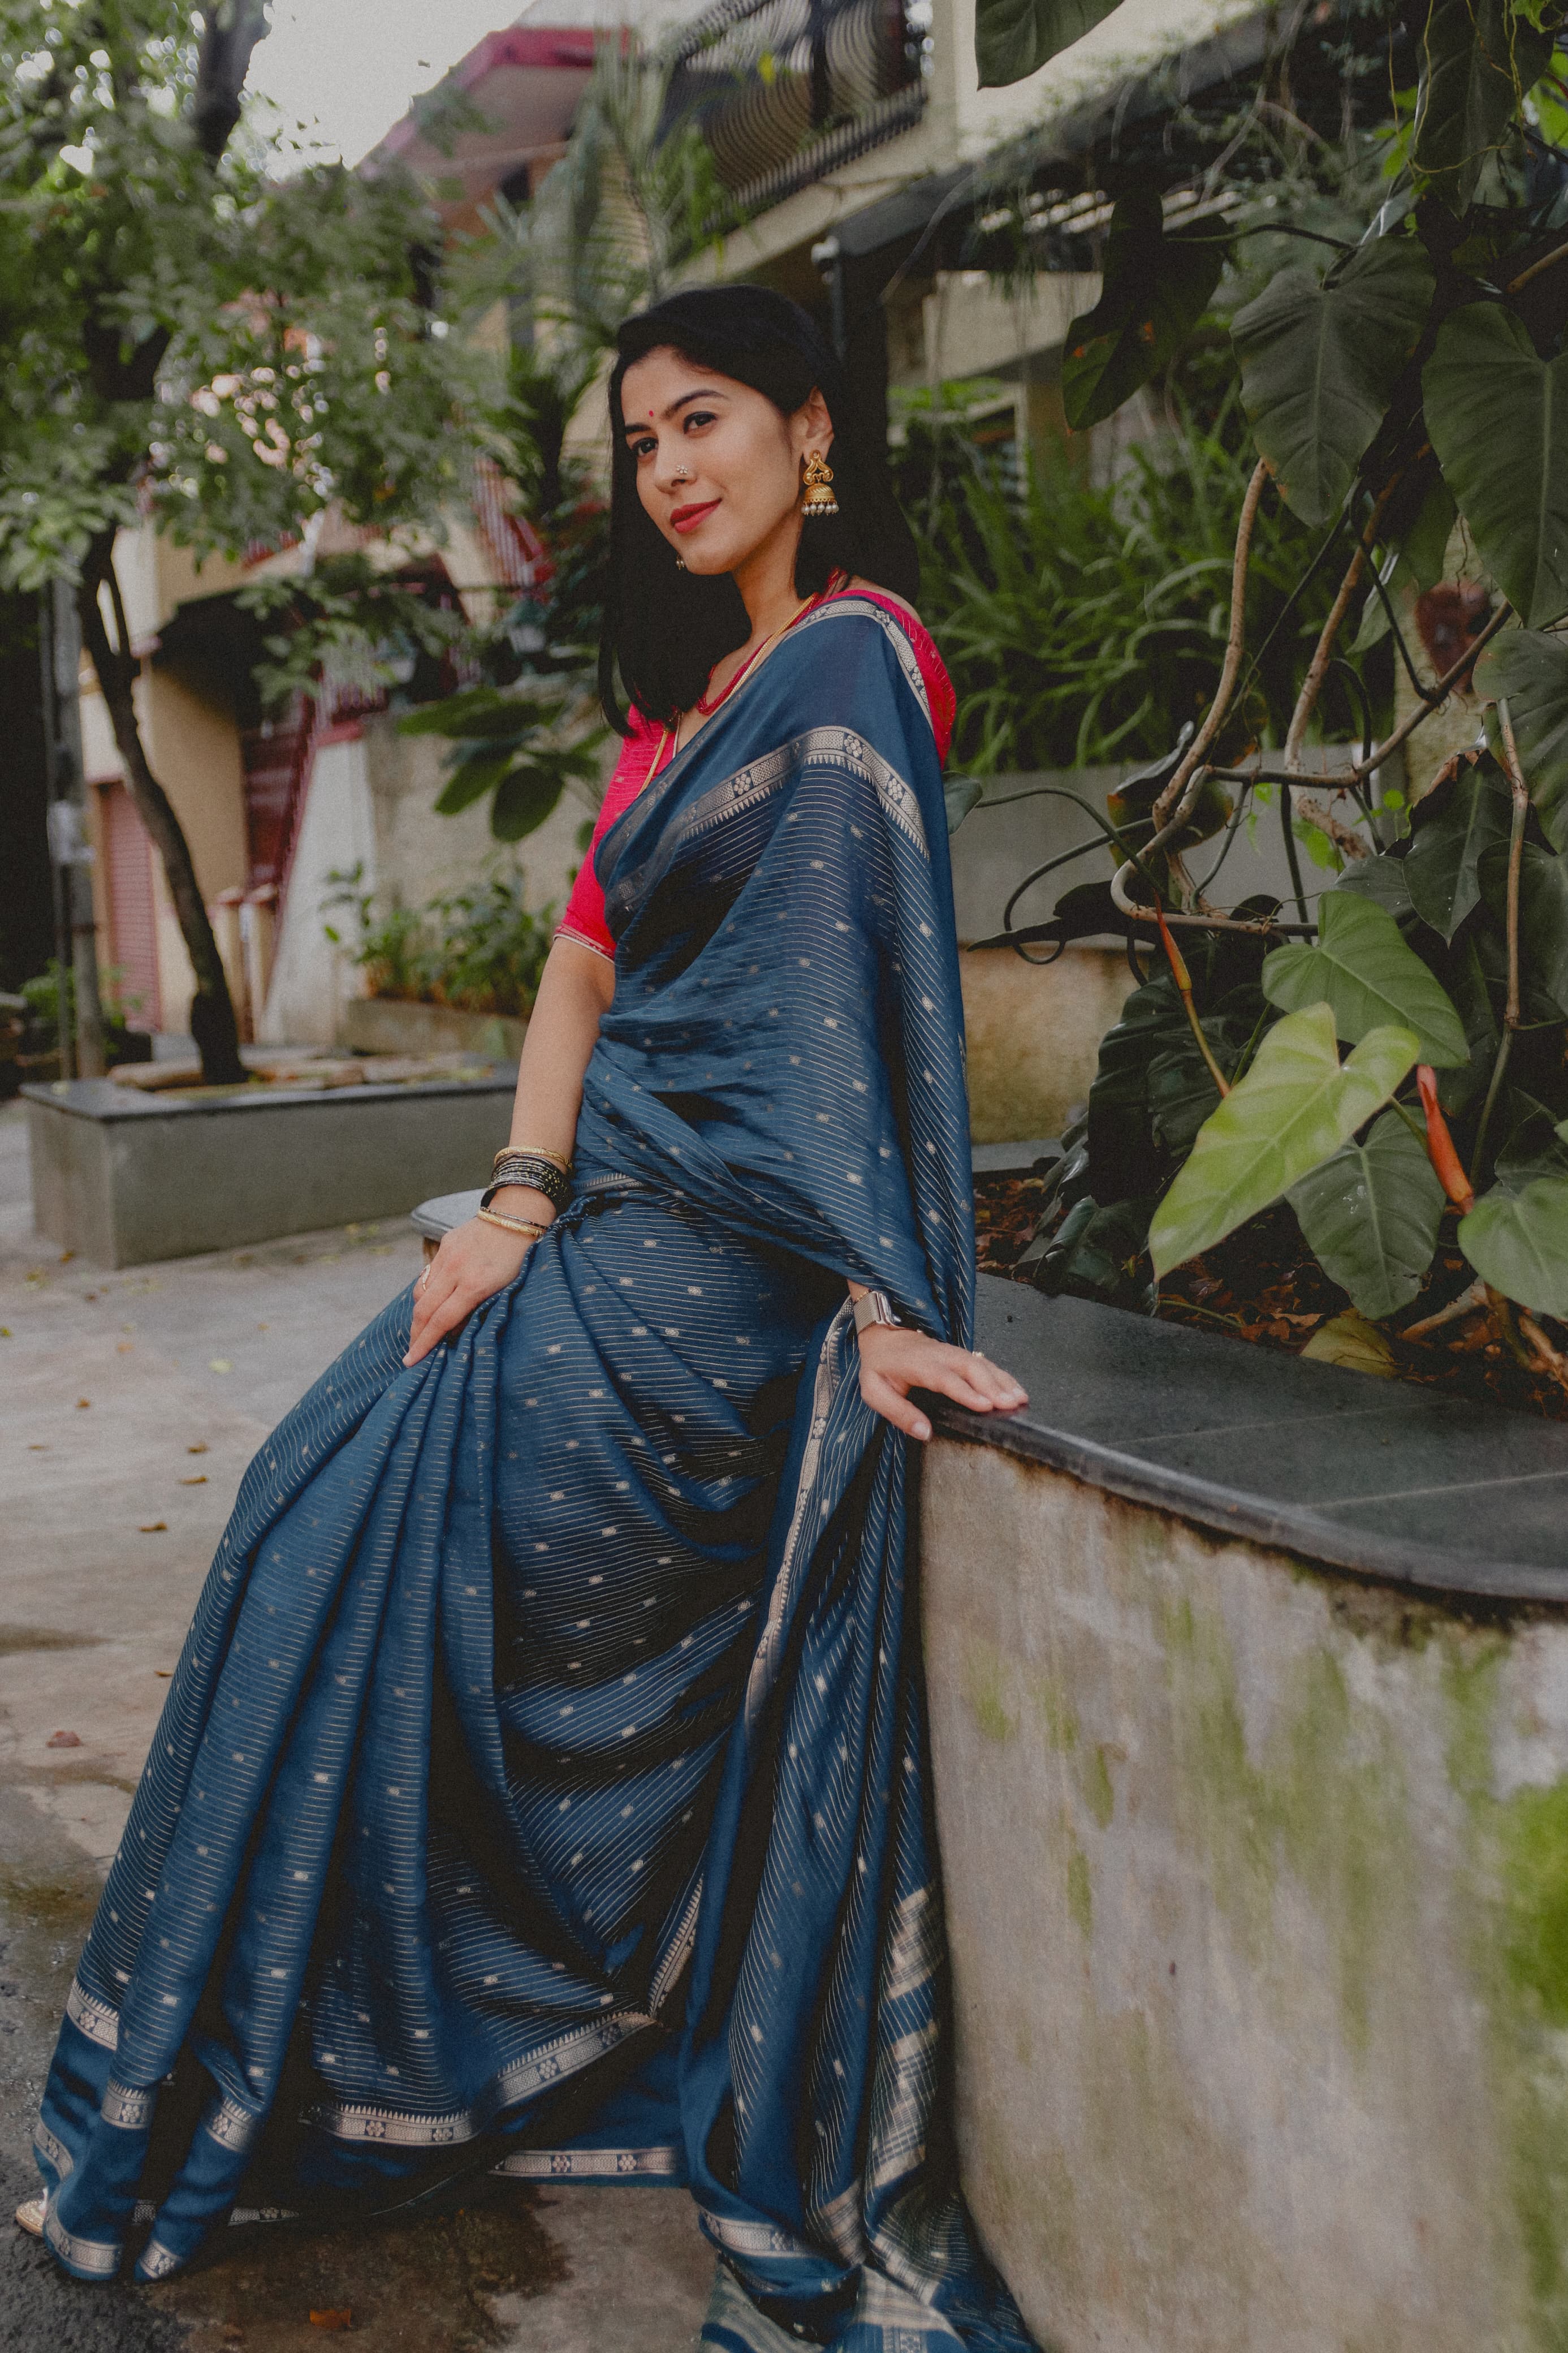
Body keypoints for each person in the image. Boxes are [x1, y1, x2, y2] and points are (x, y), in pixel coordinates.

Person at [20, 285, 1035, 2352]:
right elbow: (579, 982)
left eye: (706, 422)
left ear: (809, 434)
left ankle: (363, 2066)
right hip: (595, 1237)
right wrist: (509, 1202)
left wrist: (878, 1299)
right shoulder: (690, 711)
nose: (670, 467)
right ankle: (315, 2068)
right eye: (641, 441)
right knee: (316, 1499)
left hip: (734, 1301)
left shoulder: (853, 668)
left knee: (366, 1553)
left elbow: (843, 1029)